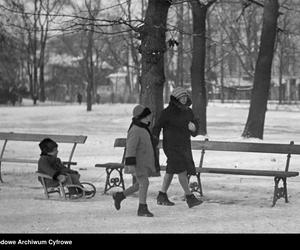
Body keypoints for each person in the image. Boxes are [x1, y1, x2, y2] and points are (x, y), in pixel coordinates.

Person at [153, 87, 203, 208]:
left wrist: (194, 128)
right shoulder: (167, 112)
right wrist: (154, 139)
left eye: (185, 97)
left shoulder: (188, 112)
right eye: (182, 97)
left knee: (171, 170)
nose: (184, 99)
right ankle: (189, 197)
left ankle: (162, 195)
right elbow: (157, 126)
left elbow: (194, 128)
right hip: (171, 146)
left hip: (184, 145)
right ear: (176, 98)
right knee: (182, 170)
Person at [112, 104, 160, 217]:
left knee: (139, 184)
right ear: (142, 116)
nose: (150, 117)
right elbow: (131, 148)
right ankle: (142, 208)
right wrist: (130, 164)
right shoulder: (135, 130)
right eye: (148, 115)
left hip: (143, 162)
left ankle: (120, 195)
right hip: (138, 163)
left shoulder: (143, 128)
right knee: (144, 183)